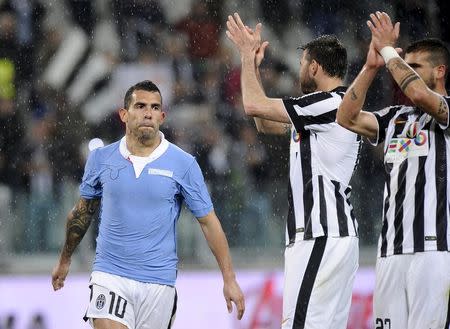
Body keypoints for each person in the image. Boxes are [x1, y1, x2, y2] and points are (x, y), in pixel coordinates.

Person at [51, 80, 245, 329]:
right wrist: (65, 259)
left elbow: (209, 223)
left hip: (159, 283)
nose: (148, 113)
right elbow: (82, 213)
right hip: (110, 275)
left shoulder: (183, 164)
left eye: (154, 108)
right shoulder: (100, 159)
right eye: (140, 106)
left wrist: (229, 278)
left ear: (162, 116)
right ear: (124, 114)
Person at [226, 13, 360, 329]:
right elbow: (264, 122)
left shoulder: (328, 105)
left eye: (302, 63)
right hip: (326, 236)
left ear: (314, 67)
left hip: (320, 235)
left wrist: (245, 56)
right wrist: (255, 69)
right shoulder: (323, 110)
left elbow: (253, 107)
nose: (300, 70)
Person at [337, 11, 450, 329]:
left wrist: (388, 51)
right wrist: (371, 67)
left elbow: (418, 93)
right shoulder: (395, 117)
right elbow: (345, 118)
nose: (405, 74)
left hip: (433, 248)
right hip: (390, 251)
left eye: (416, 67)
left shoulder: (446, 112)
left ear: (439, 71)